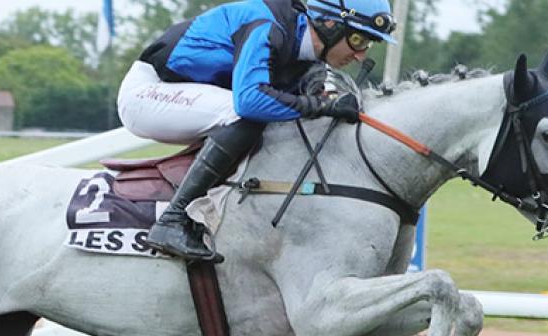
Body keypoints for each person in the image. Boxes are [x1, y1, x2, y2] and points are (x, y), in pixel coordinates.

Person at [117, 0, 397, 262]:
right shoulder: (267, 24)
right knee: (245, 114)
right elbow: (250, 101)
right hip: (149, 93)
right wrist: (321, 106)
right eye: (357, 40)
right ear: (330, 24)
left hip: (190, 95)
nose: (360, 55)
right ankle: (172, 220)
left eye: (368, 44)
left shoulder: (306, 52)